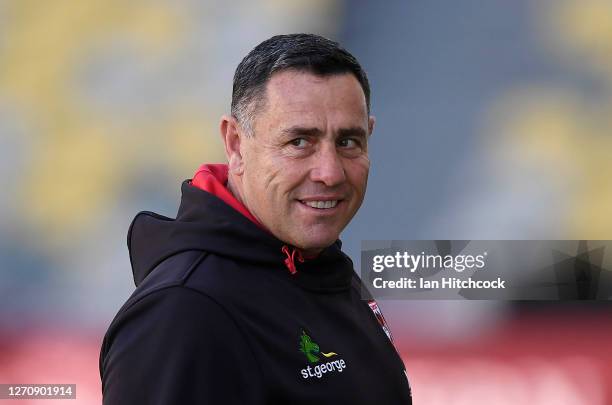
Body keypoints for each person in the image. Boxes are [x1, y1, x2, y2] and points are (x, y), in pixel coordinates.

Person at [100, 33, 412, 404]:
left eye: (348, 142)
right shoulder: (183, 313)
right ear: (235, 144)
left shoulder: (316, 262)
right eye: (299, 142)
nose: (330, 173)